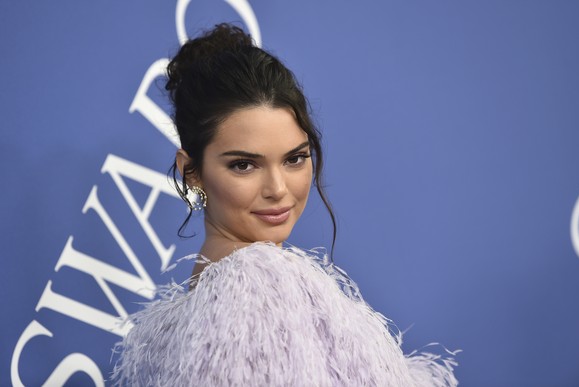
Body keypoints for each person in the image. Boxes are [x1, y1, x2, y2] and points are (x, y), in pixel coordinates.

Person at [112, 23, 458, 386]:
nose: (278, 189)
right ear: (192, 172)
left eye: (294, 159)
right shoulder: (262, 286)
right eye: (244, 165)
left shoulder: (210, 293)